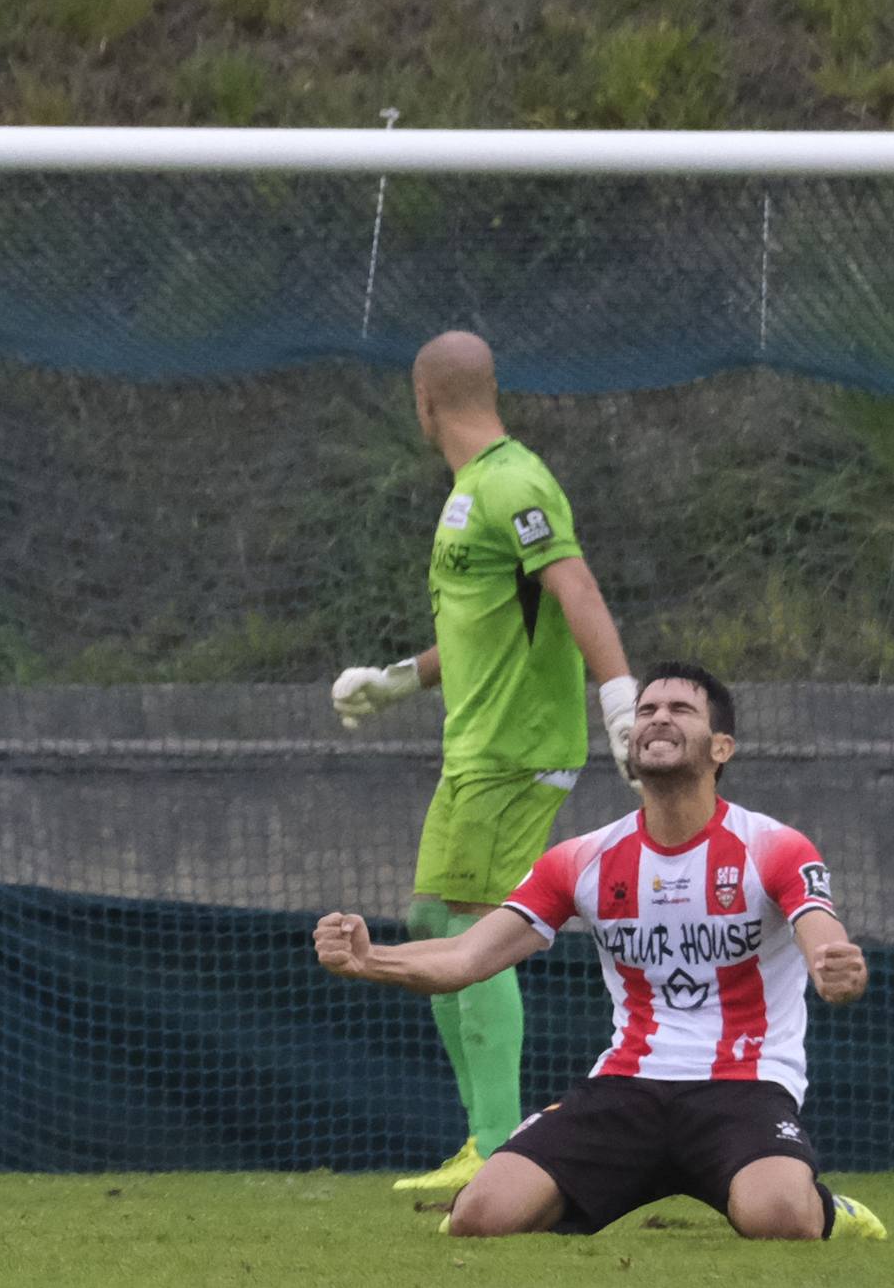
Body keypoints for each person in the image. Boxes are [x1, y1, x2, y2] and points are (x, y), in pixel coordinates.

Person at [314, 662, 886, 1241]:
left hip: (745, 1085)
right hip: (626, 1087)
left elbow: (823, 938)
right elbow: (464, 959)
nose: (658, 718)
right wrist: (369, 959)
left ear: (722, 747)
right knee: (479, 1216)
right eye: (646, 710)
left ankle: (836, 1212)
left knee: (779, 1218)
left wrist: (835, 967)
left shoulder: (775, 846)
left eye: (680, 710)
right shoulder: (581, 859)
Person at [329, 330, 637, 1192]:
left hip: (516, 747)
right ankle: (482, 1142)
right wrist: (394, 682)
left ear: (423, 404)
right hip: (475, 745)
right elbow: (480, 627)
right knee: (432, 919)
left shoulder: (515, 482)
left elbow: (575, 586)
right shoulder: (471, 491)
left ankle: (498, 1149)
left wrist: (621, 697)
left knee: (470, 924)